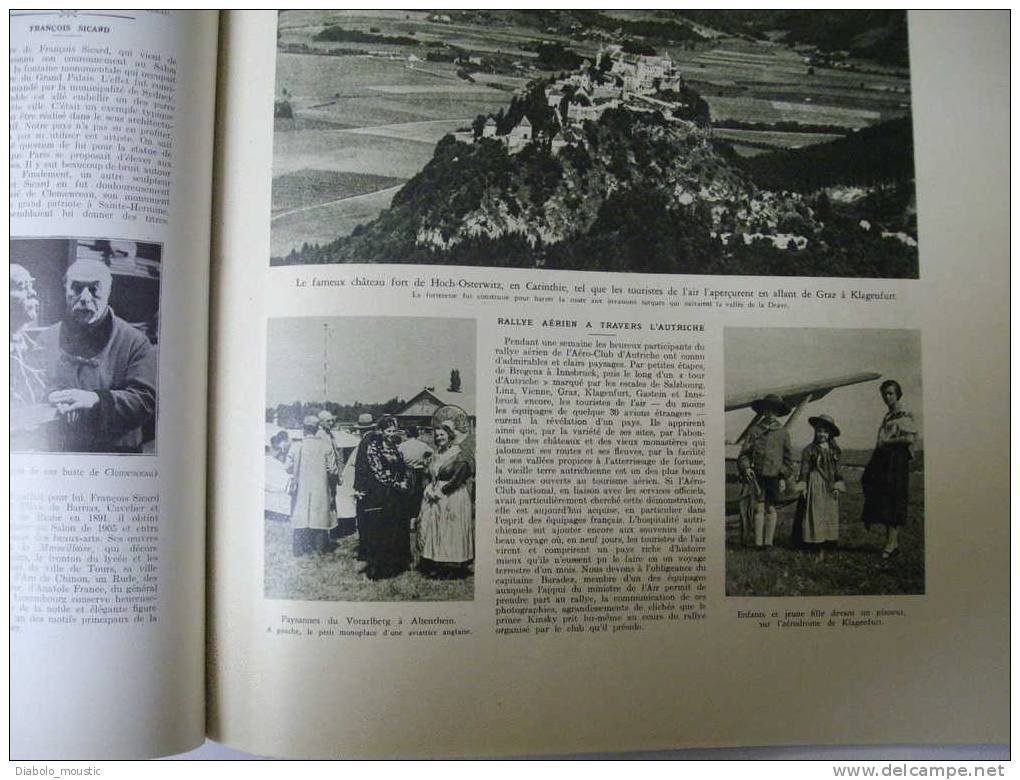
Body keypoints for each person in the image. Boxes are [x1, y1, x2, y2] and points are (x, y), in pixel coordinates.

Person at [38, 259, 157, 453]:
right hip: (62, 450)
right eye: (76, 288)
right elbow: (34, 387)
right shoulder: (46, 338)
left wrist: (96, 399)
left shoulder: (135, 342)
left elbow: (145, 400)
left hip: (115, 453)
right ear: (66, 291)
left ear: (108, 292)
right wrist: (52, 395)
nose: (85, 298)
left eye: (94, 289)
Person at [861, 379, 919, 559]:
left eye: (890, 393)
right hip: (885, 459)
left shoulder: (904, 414)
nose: (887, 397)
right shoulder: (888, 415)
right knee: (882, 495)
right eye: (884, 394)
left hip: (896, 460)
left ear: (898, 394)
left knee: (894, 499)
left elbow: (909, 438)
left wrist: (888, 442)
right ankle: (892, 543)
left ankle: (891, 544)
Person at [354, 415, 412, 580]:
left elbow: (403, 467)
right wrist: (397, 484)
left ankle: (397, 565)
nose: (391, 433)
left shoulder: (395, 446)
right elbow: (378, 472)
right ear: (380, 431)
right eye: (388, 430)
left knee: (397, 529)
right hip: (382, 495)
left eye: (394, 430)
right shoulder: (373, 448)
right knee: (382, 532)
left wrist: (405, 480)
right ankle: (379, 569)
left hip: (397, 497)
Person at [416, 421, 475, 578]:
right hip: (436, 494)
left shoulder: (459, 453)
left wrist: (442, 491)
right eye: (436, 436)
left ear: (450, 436)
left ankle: (453, 565)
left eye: (442, 434)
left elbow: (459, 477)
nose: (439, 438)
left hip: (452, 495)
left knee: (451, 530)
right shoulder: (436, 454)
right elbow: (429, 474)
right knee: (436, 529)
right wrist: (429, 489)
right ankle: (437, 562)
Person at [737, 393, 793, 548]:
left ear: (778, 412)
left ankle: (769, 542)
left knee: (771, 507)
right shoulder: (755, 430)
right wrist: (746, 467)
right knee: (758, 507)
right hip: (757, 476)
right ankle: (758, 542)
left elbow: (788, 460)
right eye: (767, 410)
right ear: (763, 411)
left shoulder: (783, 433)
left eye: (774, 410)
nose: (770, 413)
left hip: (774, 476)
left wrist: (782, 476)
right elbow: (744, 454)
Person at [793, 414, 846, 561]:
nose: (822, 434)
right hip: (815, 483)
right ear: (815, 432)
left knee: (829, 513)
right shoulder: (809, 450)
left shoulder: (835, 450)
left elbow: (838, 470)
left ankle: (828, 544)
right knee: (815, 513)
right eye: (819, 431)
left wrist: (837, 485)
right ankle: (815, 545)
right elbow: (804, 468)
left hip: (830, 486)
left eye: (825, 431)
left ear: (830, 434)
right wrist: (803, 484)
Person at [287, 415, 339, 556]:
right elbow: (333, 470)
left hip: (301, 487)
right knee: (320, 516)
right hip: (320, 486)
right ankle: (319, 550)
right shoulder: (325, 446)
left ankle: (299, 549)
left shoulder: (297, 446)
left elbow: (288, 468)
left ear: (304, 428)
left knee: (301, 515)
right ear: (317, 429)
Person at [398, 424, 434, 531]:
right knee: (417, 497)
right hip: (419, 472)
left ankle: (406, 520)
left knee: (406, 496)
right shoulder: (422, 445)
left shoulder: (402, 446)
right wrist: (423, 460)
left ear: (407, 433)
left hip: (406, 473)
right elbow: (432, 453)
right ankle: (413, 521)